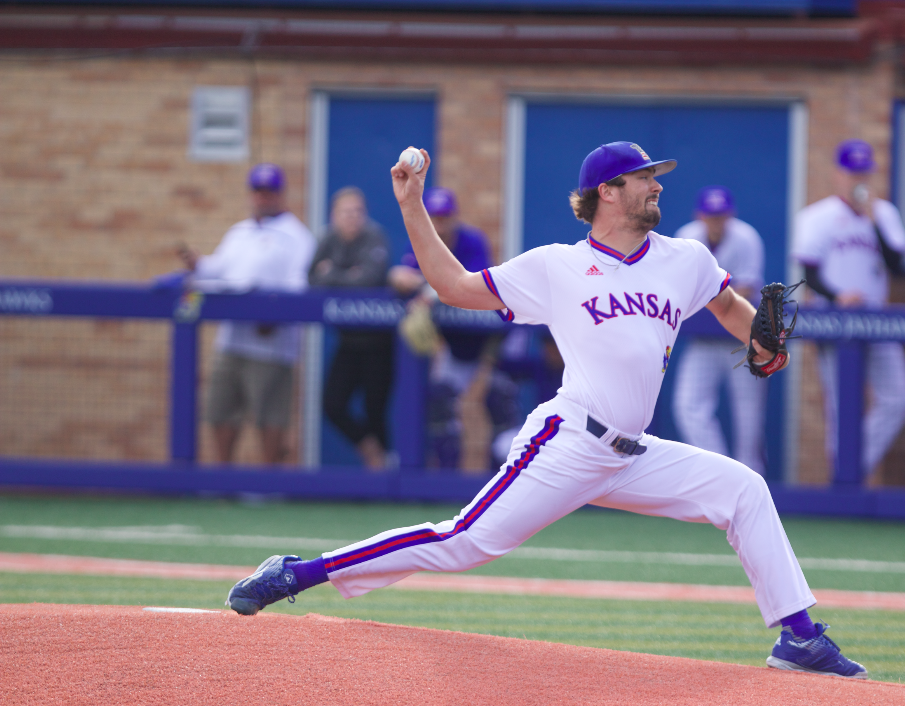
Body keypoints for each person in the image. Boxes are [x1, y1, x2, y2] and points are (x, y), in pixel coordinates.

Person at [226, 141, 867, 680]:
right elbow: (453, 287)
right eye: (645, 177)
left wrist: (764, 342)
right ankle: (296, 573)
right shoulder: (557, 267)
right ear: (607, 192)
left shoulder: (686, 259)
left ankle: (799, 636)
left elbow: (732, 312)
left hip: (633, 452)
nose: (656, 186)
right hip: (568, 441)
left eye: (655, 177)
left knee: (744, 490)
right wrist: (412, 206)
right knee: (465, 541)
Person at [792, 139, 905, 480]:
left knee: (900, 398)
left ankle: (850, 470)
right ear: (838, 175)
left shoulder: (884, 214)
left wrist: (874, 221)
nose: (858, 179)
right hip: (835, 320)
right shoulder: (817, 216)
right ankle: (845, 480)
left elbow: (898, 266)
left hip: (879, 320)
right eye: (852, 173)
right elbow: (809, 274)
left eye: (864, 172)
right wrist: (838, 295)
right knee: (840, 408)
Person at [177, 163, 316, 465]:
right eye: (258, 192)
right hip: (231, 340)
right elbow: (219, 271)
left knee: (270, 415)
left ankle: (267, 485)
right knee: (221, 410)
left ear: (281, 195)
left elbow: (299, 286)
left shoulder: (298, 236)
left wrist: (276, 316)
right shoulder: (238, 232)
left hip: (271, 343)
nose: (263, 198)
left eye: (269, 192)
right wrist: (198, 264)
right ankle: (223, 482)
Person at [388, 187, 514, 472]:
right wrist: (396, 277)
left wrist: (426, 290)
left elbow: (467, 283)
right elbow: (404, 275)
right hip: (454, 347)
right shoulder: (422, 240)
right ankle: (446, 481)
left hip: (490, 344)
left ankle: (500, 478)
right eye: (434, 217)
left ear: (454, 217)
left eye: (444, 217)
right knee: (439, 400)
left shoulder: (472, 241)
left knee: (500, 401)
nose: (439, 224)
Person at [672, 186, 767, 473]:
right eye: (711, 216)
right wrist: (714, 295)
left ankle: (752, 482)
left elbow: (746, 289)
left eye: (721, 215)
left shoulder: (746, 237)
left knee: (749, 420)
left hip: (742, 338)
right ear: (699, 215)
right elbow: (682, 289)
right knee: (687, 406)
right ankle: (721, 473)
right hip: (702, 340)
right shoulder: (685, 237)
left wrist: (706, 295)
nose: (716, 221)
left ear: (730, 215)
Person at [310, 187, 394, 470]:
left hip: (379, 342)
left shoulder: (375, 236)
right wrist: (349, 275)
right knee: (332, 404)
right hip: (348, 341)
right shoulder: (327, 238)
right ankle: (371, 451)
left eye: (358, 211)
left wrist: (332, 273)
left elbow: (370, 279)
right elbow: (311, 278)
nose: (353, 217)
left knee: (375, 410)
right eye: (346, 212)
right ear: (334, 216)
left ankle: (385, 478)